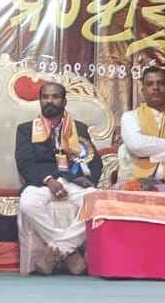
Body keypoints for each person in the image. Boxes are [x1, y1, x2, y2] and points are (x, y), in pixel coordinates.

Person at [15, 81, 101, 275]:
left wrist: (83, 177)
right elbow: (24, 163)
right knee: (28, 203)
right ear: (40, 101)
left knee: (96, 202)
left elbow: (95, 162)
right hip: (41, 183)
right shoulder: (26, 129)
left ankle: (58, 249)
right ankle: (70, 254)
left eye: (55, 97)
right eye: (45, 97)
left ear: (64, 101)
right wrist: (48, 180)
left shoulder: (78, 128)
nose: (49, 101)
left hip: (73, 181)